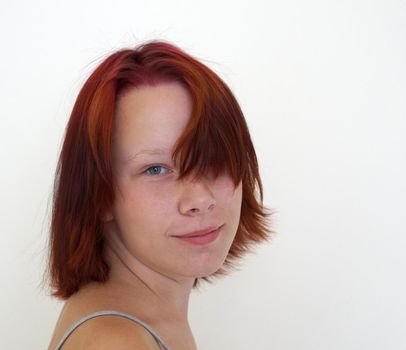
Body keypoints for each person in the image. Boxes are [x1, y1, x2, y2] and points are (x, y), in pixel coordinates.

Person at [45, 40, 272, 350]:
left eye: (214, 159)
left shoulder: (141, 321)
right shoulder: (116, 342)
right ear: (100, 192)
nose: (200, 199)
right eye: (156, 169)